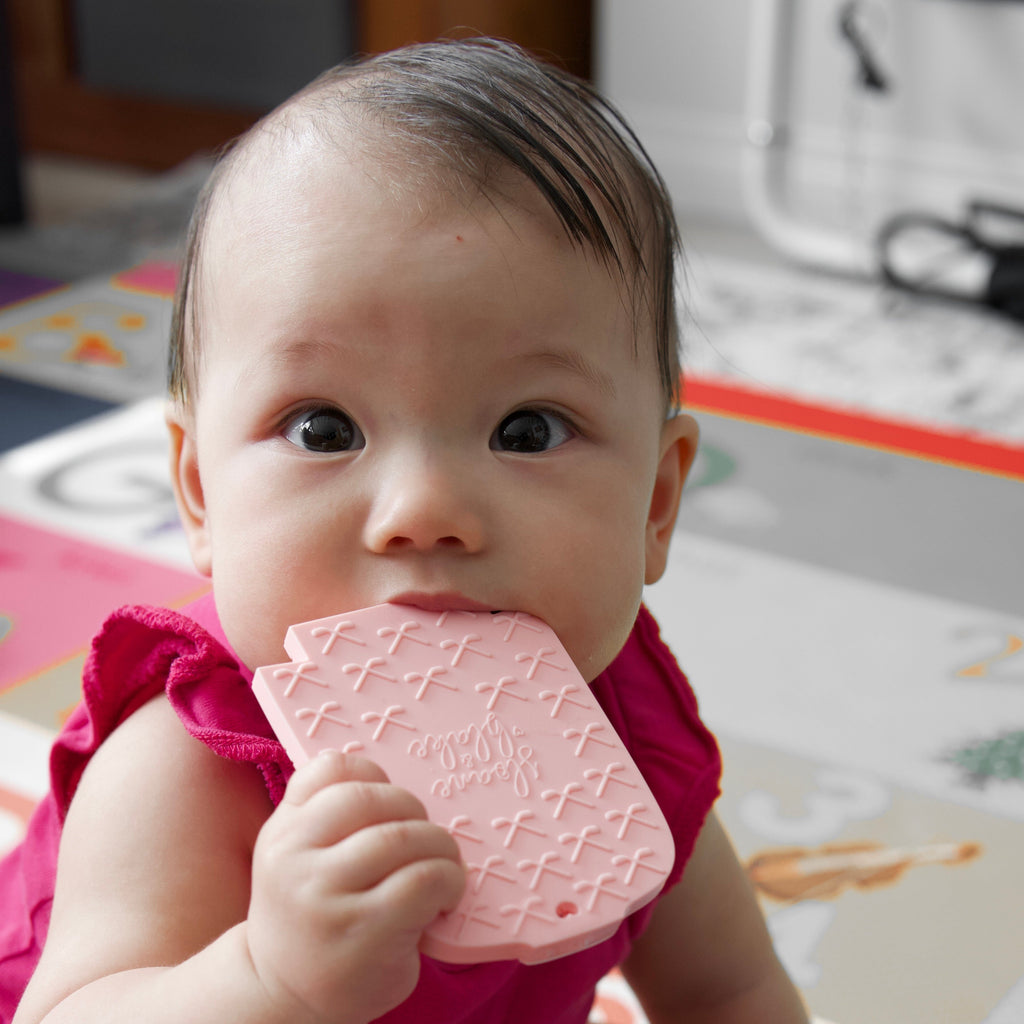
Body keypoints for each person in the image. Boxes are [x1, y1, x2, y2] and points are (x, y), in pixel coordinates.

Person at [2, 38, 808, 1024]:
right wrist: (268, 978)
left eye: (528, 430)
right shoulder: (186, 769)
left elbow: (727, 989)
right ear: (202, 490)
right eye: (323, 429)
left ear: (653, 504)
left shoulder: (623, 743)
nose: (423, 511)